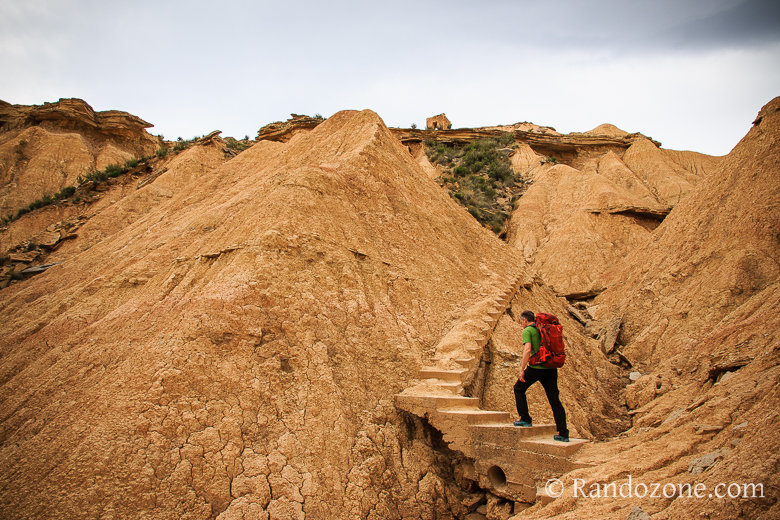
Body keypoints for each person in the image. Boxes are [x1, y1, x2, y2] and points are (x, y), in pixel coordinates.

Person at [513, 310, 570, 442]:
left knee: (519, 388)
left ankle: (525, 418)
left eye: (521, 321)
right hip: (550, 368)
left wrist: (522, 368)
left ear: (524, 320)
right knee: (554, 400)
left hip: (536, 368)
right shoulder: (542, 328)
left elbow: (527, 350)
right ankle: (563, 433)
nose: (521, 323)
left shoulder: (527, 331)